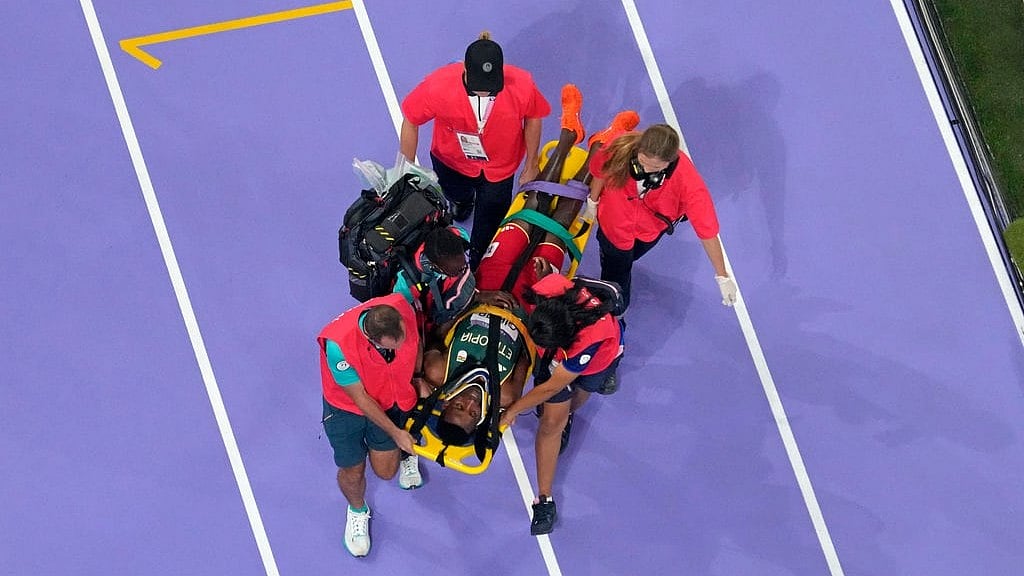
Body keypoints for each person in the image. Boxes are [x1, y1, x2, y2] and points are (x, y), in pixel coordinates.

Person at [400, 32, 552, 268]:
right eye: (479, 86)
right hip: (451, 161)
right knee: (456, 196)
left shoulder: (522, 84)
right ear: (465, 71)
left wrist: (532, 163)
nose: (484, 92)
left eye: (491, 88)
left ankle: (480, 260)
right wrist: (406, 171)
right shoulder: (437, 86)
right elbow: (411, 120)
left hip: (501, 169)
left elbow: (534, 116)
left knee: (490, 223)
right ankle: (462, 203)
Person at [498, 272, 624, 536]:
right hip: (555, 359)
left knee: (577, 399)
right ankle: (544, 500)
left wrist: (513, 409)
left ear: (564, 339)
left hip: (595, 362)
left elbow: (553, 385)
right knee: (551, 424)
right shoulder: (549, 288)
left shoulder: (589, 338)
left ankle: (572, 410)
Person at [586, 122, 739, 310]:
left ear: (670, 162)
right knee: (615, 273)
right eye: (643, 162)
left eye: (655, 168)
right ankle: (614, 311)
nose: (646, 171)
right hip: (613, 225)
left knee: (628, 259)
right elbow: (599, 171)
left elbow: (707, 231)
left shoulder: (689, 184)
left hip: (650, 230)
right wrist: (592, 201)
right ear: (638, 148)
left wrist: (722, 276)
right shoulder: (618, 146)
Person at [317, 294, 423, 557]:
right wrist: (396, 433)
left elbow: (415, 343)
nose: (399, 347)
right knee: (353, 470)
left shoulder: (399, 306)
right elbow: (361, 399)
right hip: (347, 409)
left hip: (388, 397)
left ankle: (406, 451)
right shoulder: (338, 346)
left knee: (386, 472)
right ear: (373, 341)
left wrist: (417, 377)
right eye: (392, 346)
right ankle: (357, 510)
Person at [418, 303, 532, 445]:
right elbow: (527, 353)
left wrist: (478, 299)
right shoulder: (506, 395)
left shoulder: (437, 371)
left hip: (483, 298)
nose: (471, 402)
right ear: (480, 418)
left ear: (446, 404)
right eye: (473, 413)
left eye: (459, 406)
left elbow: (440, 332)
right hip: (522, 311)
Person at [392, 225, 476, 346]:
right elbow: (398, 314)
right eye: (456, 271)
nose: (463, 271)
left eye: (464, 265)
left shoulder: (460, 236)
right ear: (436, 267)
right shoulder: (406, 284)